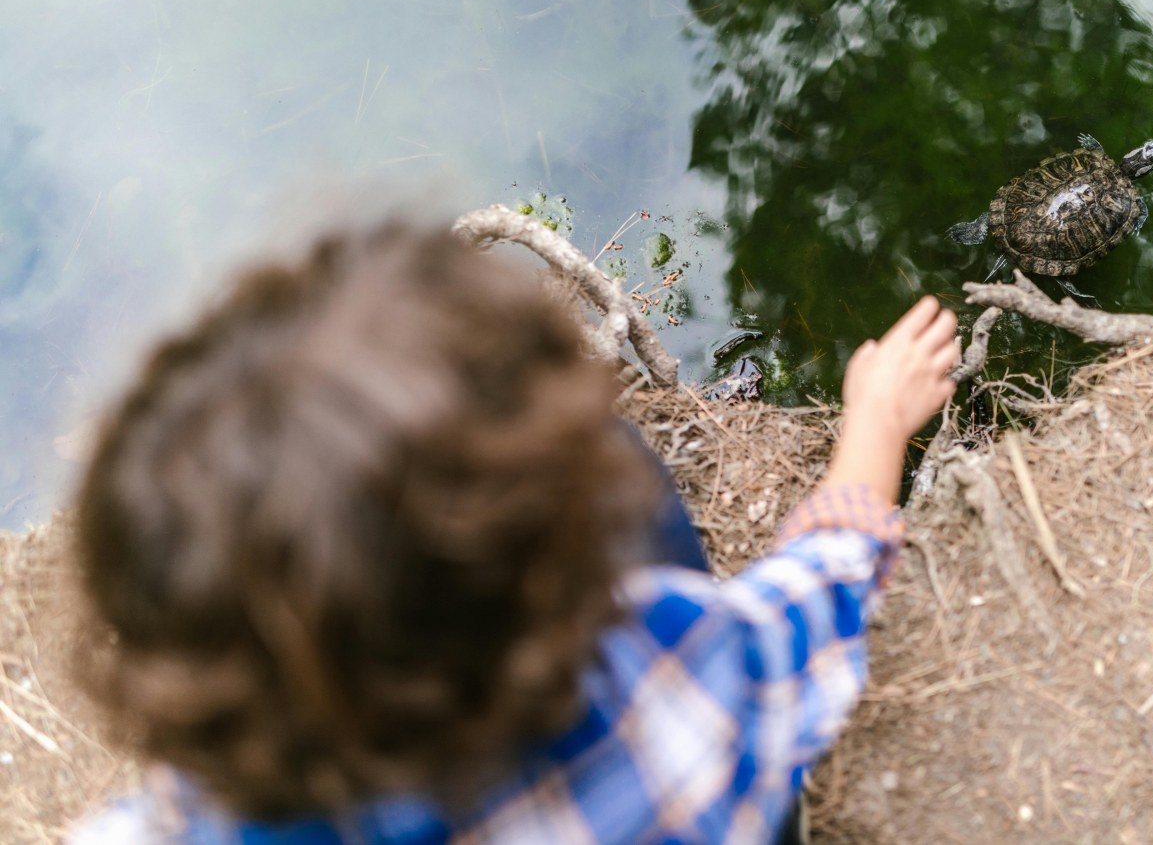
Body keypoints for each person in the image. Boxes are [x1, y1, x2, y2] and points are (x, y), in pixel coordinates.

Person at [68, 221, 960, 844]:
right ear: (537, 602)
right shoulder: (668, 708)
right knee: (627, 464)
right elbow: (819, 589)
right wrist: (877, 425)